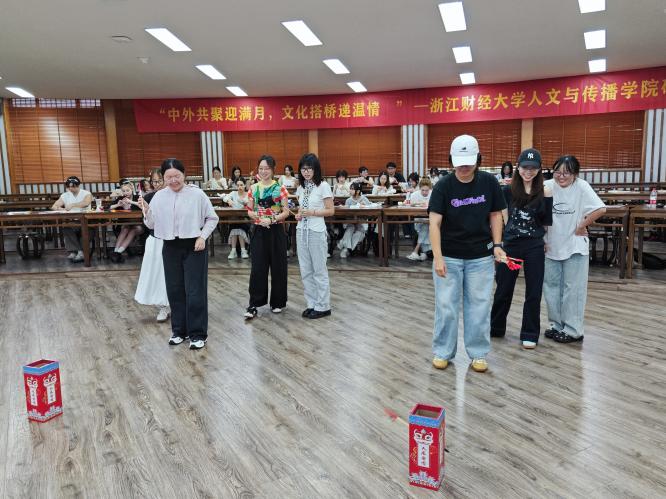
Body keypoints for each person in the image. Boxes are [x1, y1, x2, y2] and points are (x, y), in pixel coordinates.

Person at [428, 135, 506, 373]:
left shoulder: (489, 182)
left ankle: (478, 353)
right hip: (449, 256)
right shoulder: (443, 186)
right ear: (451, 160)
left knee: (479, 306)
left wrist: (498, 244)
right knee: (446, 307)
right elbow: (434, 224)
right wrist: (438, 257)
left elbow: (495, 215)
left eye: (469, 162)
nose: (464, 167)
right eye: (459, 162)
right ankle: (443, 351)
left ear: (478, 159)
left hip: (480, 257)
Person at [140, 158, 219, 350]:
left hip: (194, 246)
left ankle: (198, 334)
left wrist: (202, 237)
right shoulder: (159, 197)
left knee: (195, 291)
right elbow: (151, 225)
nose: (173, 180)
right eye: (169, 177)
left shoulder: (197, 194)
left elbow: (212, 218)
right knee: (174, 290)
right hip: (170, 246)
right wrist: (147, 212)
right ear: (163, 178)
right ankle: (179, 331)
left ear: (184, 175)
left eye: (177, 176)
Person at [490, 149, 553, 349]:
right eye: (525, 167)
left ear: (539, 169)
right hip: (511, 246)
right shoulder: (507, 190)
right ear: (518, 167)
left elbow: (545, 222)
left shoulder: (545, 191)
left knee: (534, 291)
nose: (528, 171)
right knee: (503, 288)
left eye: (533, 168)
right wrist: (500, 243)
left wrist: (544, 241)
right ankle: (496, 327)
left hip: (534, 246)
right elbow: (503, 218)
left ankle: (530, 333)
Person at [543, 155, 606, 344]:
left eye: (567, 173)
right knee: (551, 287)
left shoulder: (582, 186)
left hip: (574, 245)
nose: (561, 176)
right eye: (557, 172)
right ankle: (556, 325)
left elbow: (600, 208)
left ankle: (573, 329)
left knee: (574, 289)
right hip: (550, 244)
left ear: (575, 174)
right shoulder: (546, 186)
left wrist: (581, 225)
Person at [243, 155, 290, 319]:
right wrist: (258, 218)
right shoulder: (253, 188)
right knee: (257, 268)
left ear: (273, 170)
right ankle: (254, 303)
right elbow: (249, 211)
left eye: (267, 168)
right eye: (261, 168)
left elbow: (286, 212)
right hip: (259, 230)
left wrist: (272, 219)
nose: (263, 171)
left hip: (276, 231)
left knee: (278, 267)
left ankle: (277, 302)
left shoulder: (280, 188)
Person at [295, 153, 334, 319]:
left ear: (316, 169)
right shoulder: (301, 187)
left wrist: (312, 212)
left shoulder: (323, 186)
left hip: (316, 232)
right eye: (303, 169)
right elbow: (301, 208)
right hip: (301, 231)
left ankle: (323, 306)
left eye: (309, 168)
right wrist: (299, 214)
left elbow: (331, 210)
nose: (306, 172)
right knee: (305, 270)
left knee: (319, 270)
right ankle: (312, 303)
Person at [134, 169, 170, 322]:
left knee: (170, 275)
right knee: (156, 275)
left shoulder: (174, 195)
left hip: (172, 240)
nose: (157, 184)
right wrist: (146, 209)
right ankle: (163, 306)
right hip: (155, 240)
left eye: (160, 180)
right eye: (154, 181)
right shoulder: (148, 197)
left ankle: (174, 304)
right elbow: (148, 224)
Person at [51, 176, 92, 263]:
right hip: (72, 220)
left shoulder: (86, 193)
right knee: (67, 227)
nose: (71, 188)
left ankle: (78, 252)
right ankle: (77, 251)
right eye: (69, 187)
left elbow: (86, 203)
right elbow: (54, 206)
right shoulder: (65, 195)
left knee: (86, 230)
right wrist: (60, 209)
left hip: (86, 220)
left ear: (78, 185)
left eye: (73, 186)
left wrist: (73, 205)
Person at [108, 181, 144, 263]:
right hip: (126, 223)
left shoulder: (137, 197)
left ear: (132, 189)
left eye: (127, 190)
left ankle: (118, 253)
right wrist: (118, 205)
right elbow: (109, 207)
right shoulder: (121, 198)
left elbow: (143, 206)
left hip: (138, 225)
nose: (125, 193)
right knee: (125, 229)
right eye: (123, 191)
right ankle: (116, 252)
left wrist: (131, 202)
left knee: (133, 230)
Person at [338, 182, 371, 258]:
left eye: (352, 189)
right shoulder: (348, 200)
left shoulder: (364, 199)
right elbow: (346, 215)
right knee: (350, 229)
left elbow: (369, 211)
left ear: (358, 191)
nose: (350, 190)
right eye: (350, 189)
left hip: (361, 223)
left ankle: (344, 247)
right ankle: (346, 248)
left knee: (359, 233)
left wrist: (364, 206)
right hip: (351, 222)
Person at [221, 177, 251, 259]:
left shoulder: (248, 194)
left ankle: (243, 250)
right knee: (235, 226)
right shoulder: (233, 193)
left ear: (245, 185)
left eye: (241, 185)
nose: (239, 187)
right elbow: (224, 197)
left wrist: (245, 203)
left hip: (245, 218)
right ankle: (234, 251)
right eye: (238, 185)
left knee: (239, 227)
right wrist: (228, 200)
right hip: (234, 218)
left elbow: (250, 204)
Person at [406, 178, 432, 261]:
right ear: (420, 188)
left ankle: (417, 251)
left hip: (430, 219)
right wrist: (419, 203)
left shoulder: (433, 194)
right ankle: (424, 252)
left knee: (427, 225)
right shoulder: (415, 194)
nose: (424, 192)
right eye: (423, 190)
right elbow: (409, 203)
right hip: (418, 219)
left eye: (427, 190)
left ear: (430, 189)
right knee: (426, 225)